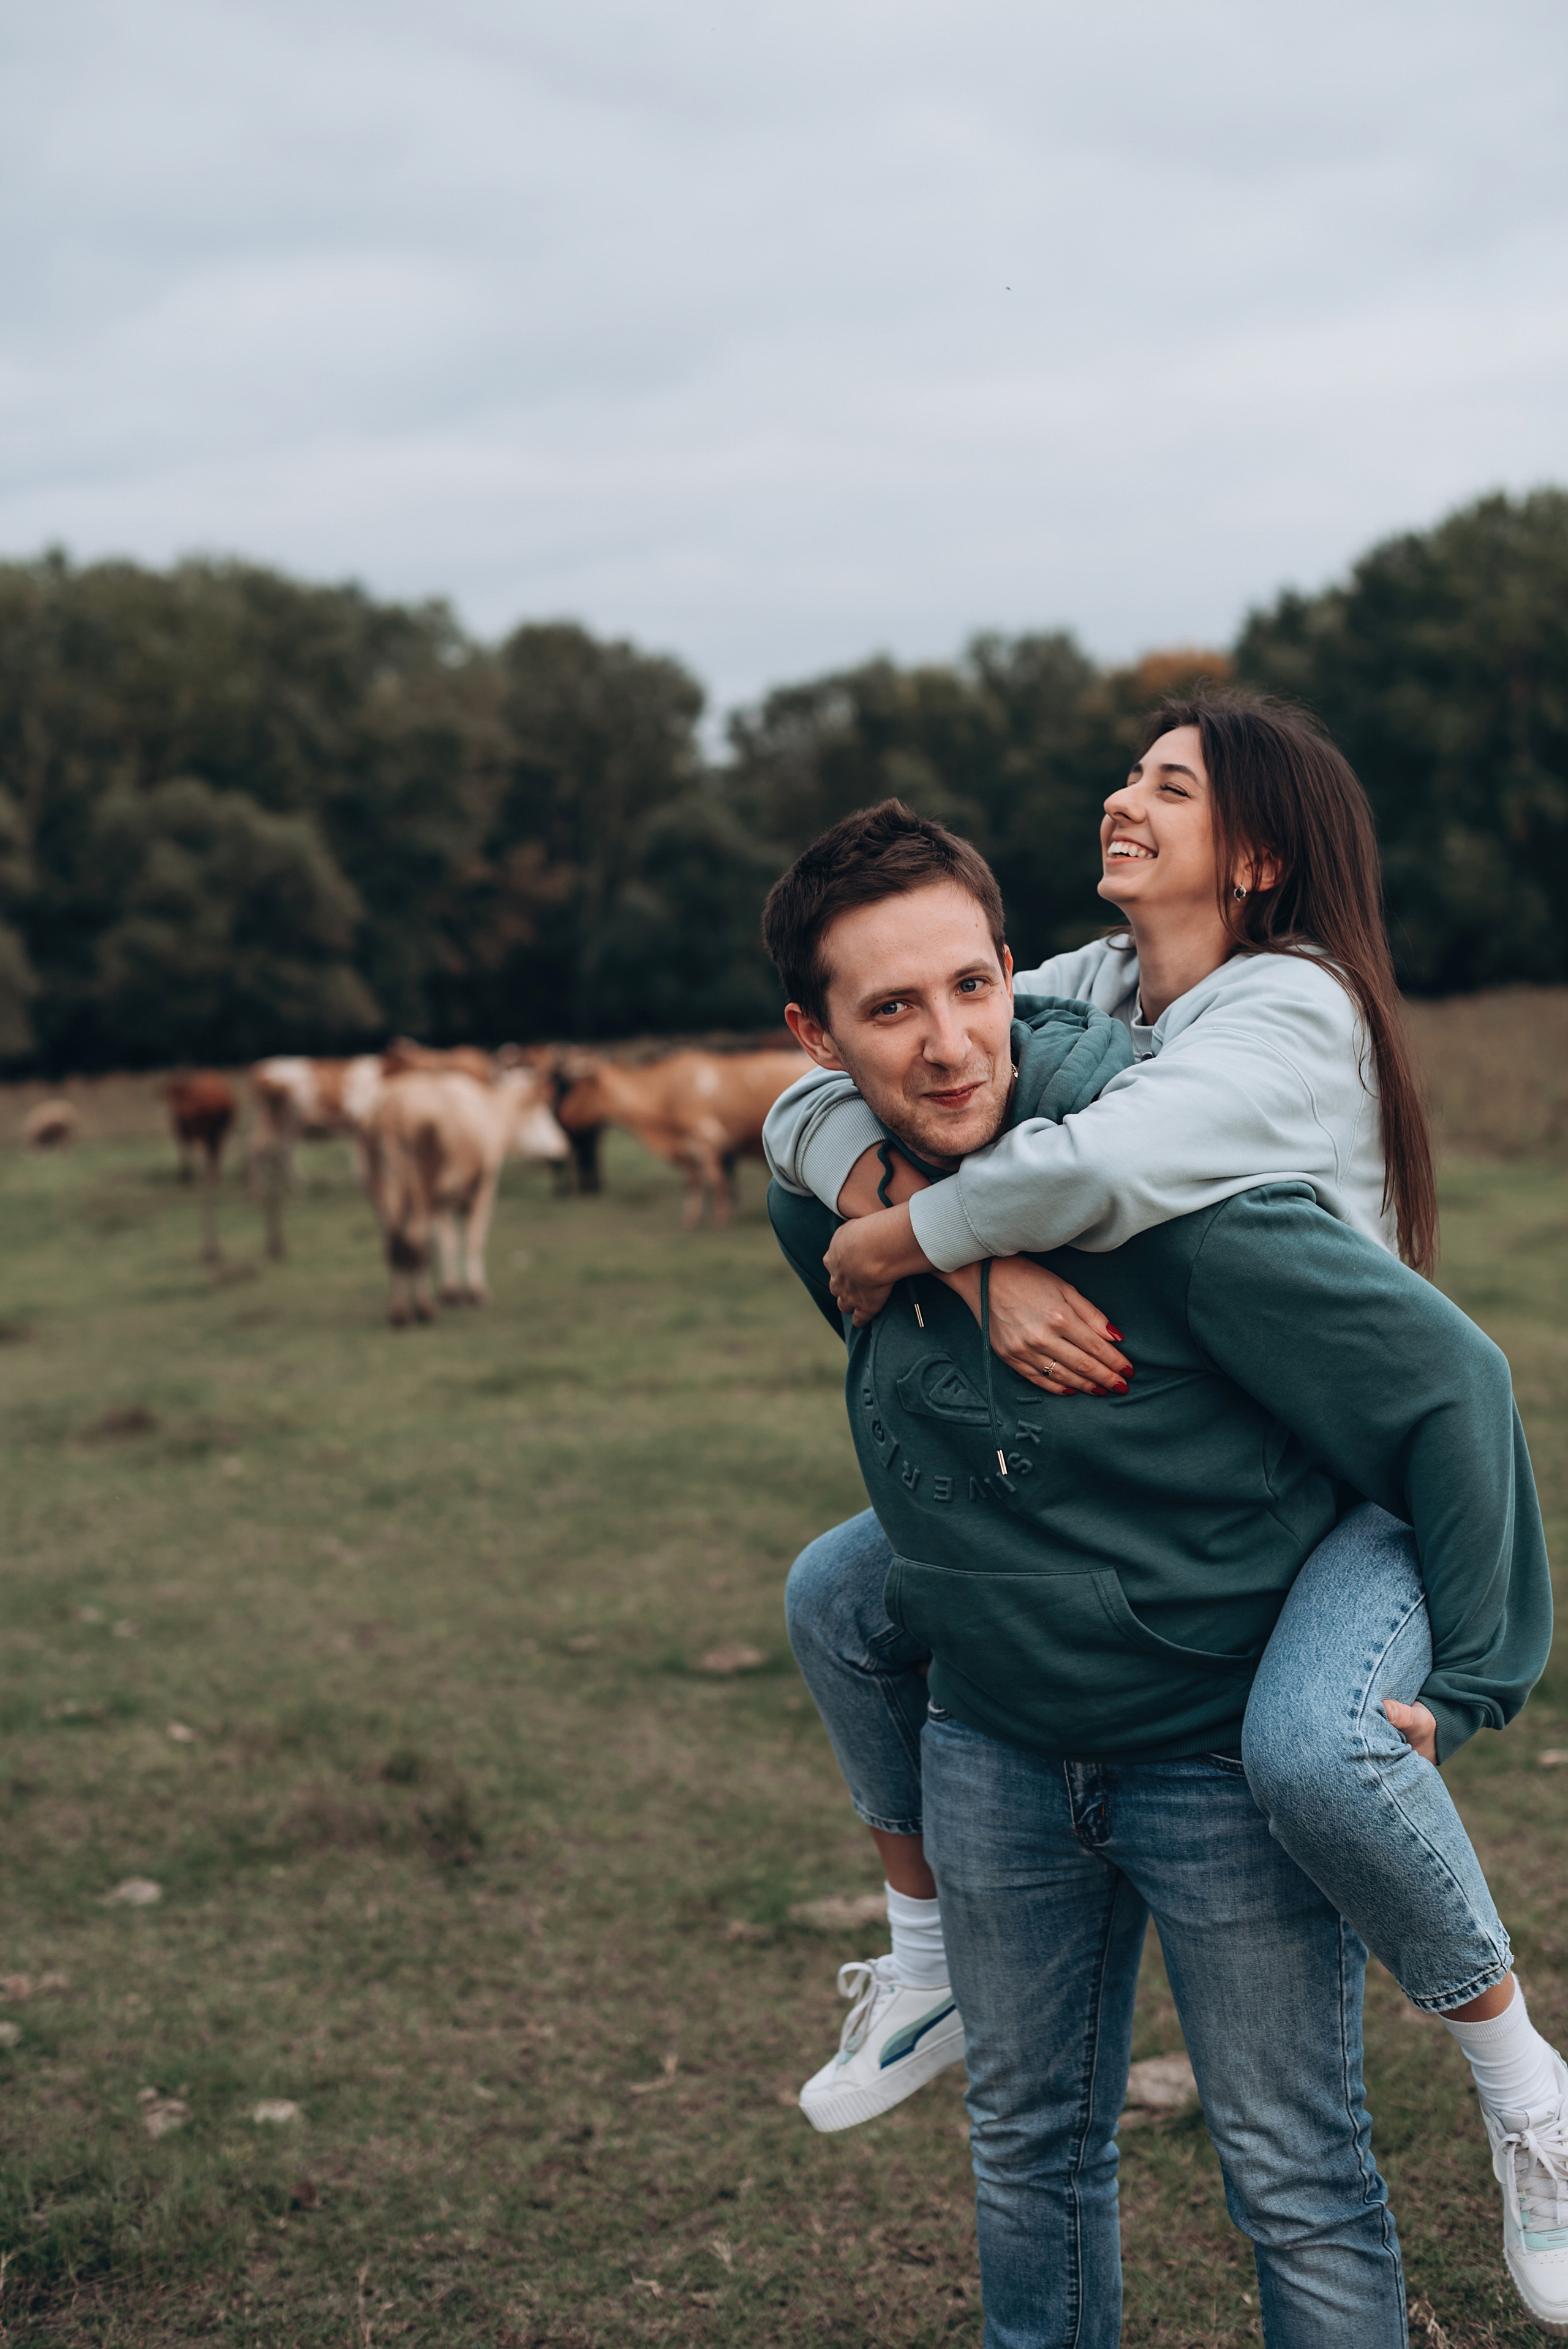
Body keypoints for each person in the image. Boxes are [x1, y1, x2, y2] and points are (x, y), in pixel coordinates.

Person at [759, 769, 1564, 2337]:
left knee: (1291, 2175)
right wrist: (963, 1267)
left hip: (1212, 1738)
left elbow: (1450, 1384)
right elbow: (807, 1156)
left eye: (971, 989)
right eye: (889, 1012)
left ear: (1009, 972)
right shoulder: (839, 1179)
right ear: (818, 1040)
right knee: (1025, 2155)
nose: (945, 1044)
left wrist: (1470, 1679)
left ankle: (1526, 2085)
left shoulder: (1189, 1174)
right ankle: (915, 1956)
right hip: (993, 1739)